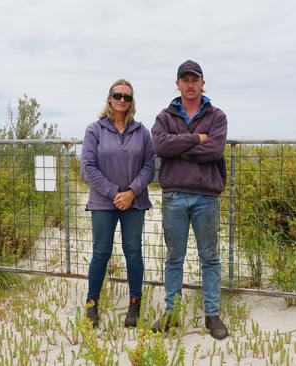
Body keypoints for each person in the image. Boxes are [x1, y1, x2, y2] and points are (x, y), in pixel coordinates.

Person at [150, 60, 229, 339]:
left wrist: (179, 145)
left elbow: (214, 149)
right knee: (174, 257)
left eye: (195, 79)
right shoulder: (164, 116)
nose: (190, 84)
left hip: (206, 196)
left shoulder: (217, 116)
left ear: (203, 83)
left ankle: (212, 315)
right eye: (185, 80)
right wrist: (196, 137)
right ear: (178, 84)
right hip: (174, 196)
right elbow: (159, 145)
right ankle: (171, 313)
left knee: (209, 257)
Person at [81, 79, 155, 328]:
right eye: (118, 95)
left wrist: (132, 192)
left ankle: (135, 303)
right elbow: (88, 168)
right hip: (103, 203)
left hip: (134, 203)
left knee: (133, 251)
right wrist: (115, 193)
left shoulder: (142, 132)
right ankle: (92, 304)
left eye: (127, 97)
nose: (122, 100)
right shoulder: (95, 130)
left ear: (133, 101)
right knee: (101, 252)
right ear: (109, 98)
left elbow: (148, 166)